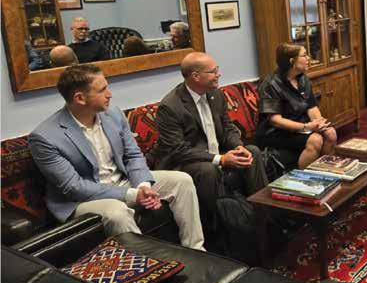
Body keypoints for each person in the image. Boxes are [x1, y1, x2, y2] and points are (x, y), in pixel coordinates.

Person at [28, 64, 204, 250]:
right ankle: (146, 264)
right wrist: (133, 195)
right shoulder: (45, 137)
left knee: (181, 181)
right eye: (102, 90)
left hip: (123, 181)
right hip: (81, 200)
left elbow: (132, 155)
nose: (109, 94)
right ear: (80, 98)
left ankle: (196, 249)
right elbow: (73, 187)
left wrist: (143, 186)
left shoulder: (113, 114)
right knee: (117, 211)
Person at [152, 52, 268, 230]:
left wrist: (239, 146)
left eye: (217, 70)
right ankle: (215, 229)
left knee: (252, 151)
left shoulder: (216, 94)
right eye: (213, 71)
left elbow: (228, 128)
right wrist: (220, 159)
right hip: (186, 162)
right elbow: (178, 150)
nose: (218, 74)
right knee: (208, 170)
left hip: (216, 153)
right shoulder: (170, 106)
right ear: (196, 76)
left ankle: (264, 212)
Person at [255, 43, 337, 169]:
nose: (308, 58)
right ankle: (304, 177)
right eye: (304, 55)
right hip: (276, 132)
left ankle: (326, 172)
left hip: (300, 125)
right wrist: (306, 127)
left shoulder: (303, 79)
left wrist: (319, 124)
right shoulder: (271, 84)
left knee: (330, 133)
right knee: (315, 140)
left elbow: (311, 107)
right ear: (292, 61)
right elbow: (275, 121)